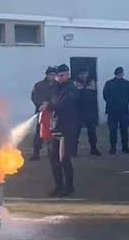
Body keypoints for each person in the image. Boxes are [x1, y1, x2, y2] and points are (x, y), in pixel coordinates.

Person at [44, 64, 80, 197]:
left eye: (62, 75)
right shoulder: (56, 89)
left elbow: (64, 105)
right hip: (56, 128)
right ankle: (58, 186)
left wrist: (49, 106)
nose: (59, 78)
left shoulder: (72, 89)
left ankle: (69, 187)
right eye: (58, 75)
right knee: (53, 159)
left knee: (64, 159)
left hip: (67, 129)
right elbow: (53, 103)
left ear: (68, 75)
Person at [103, 66, 129, 154]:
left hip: (120, 110)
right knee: (113, 130)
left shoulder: (125, 83)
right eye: (120, 73)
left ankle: (123, 147)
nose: (121, 74)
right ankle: (114, 147)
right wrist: (123, 102)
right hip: (114, 111)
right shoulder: (110, 83)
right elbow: (105, 95)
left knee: (123, 129)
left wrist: (123, 102)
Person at [29, 66, 57, 161]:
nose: (53, 77)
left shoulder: (58, 85)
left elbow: (59, 97)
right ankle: (36, 153)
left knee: (53, 133)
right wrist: (41, 103)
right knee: (39, 133)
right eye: (51, 75)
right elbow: (34, 97)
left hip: (54, 113)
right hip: (41, 113)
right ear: (47, 75)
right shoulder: (39, 85)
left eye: (54, 75)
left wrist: (50, 104)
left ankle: (52, 152)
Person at [74, 70, 101, 156]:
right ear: (79, 75)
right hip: (78, 111)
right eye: (82, 73)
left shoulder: (92, 82)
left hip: (90, 110)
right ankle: (73, 150)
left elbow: (94, 95)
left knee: (92, 131)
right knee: (76, 132)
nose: (84, 75)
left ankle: (93, 148)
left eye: (85, 73)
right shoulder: (75, 83)